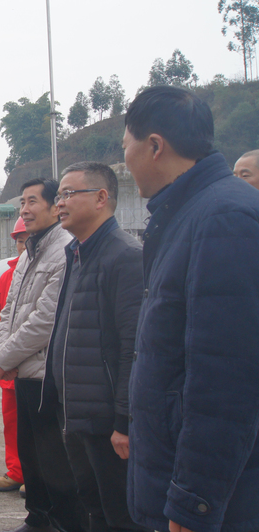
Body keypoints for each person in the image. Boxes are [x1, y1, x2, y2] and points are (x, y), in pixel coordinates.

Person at [124, 86, 259, 532]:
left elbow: (226, 378)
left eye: (126, 147)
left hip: (210, 498)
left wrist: (194, 499)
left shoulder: (224, 218)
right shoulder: (186, 214)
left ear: (155, 146)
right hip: (172, 471)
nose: (127, 160)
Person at [47, 161, 146, 532]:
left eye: (69, 194)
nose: (60, 203)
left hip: (107, 423)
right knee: (94, 506)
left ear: (102, 198)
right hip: (76, 414)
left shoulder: (125, 256)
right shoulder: (77, 254)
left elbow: (133, 347)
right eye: (59, 195)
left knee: (122, 515)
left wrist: (124, 421)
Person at [0, 177, 86, 532]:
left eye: (32, 201)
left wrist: (5, 359)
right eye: (22, 202)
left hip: (47, 375)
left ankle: (61, 522)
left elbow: (46, 319)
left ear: (53, 205)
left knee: (54, 459)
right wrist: (3, 354)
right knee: (30, 452)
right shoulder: (28, 253)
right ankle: (38, 517)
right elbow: (9, 310)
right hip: (23, 372)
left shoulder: (65, 251)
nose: (25, 210)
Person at [0, 217, 27, 493]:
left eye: (27, 239)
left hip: (35, 367)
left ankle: (37, 476)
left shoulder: (55, 269)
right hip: (9, 369)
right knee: (12, 423)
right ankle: (17, 472)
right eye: (19, 240)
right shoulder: (6, 277)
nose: (22, 245)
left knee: (39, 427)